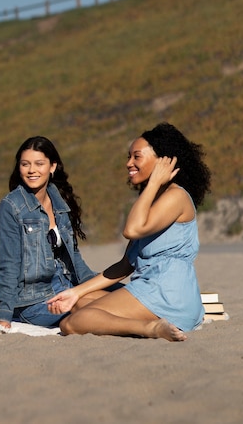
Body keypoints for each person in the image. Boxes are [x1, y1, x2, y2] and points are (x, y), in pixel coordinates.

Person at [47, 123, 212, 342]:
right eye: (128, 157)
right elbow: (125, 265)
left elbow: (131, 230)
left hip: (168, 293)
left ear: (164, 161)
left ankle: (151, 328)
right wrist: (75, 292)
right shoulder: (152, 201)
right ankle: (148, 323)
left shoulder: (176, 196)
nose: (129, 163)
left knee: (70, 323)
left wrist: (153, 182)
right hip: (150, 287)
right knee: (79, 304)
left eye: (137, 157)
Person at [0, 136, 96, 329]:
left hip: (66, 284)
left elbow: (74, 256)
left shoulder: (59, 201)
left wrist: (92, 284)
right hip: (33, 300)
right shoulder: (11, 206)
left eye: (39, 163)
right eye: (25, 164)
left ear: (52, 166)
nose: (32, 170)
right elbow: (8, 265)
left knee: (121, 295)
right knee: (91, 307)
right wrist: (3, 315)